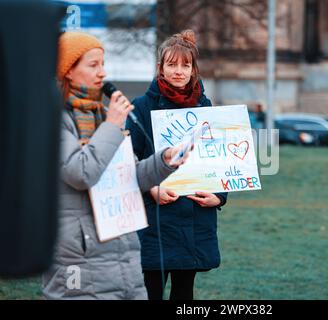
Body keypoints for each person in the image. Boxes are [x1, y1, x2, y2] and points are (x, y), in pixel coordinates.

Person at [42, 31, 188, 300]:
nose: (102, 73)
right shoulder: (52, 118)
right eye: (93, 65)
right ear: (68, 71)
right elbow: (80, 173)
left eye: (103, 63)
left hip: (120, 246)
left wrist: (164, 161)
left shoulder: (101, 114)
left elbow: (129, 176)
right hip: (78, 255)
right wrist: (112, 125)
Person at [126, 29, 228, 300]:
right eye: (172, 64)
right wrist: (150, 189)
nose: (179, 71)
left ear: (194, 69)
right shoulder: (141, 107)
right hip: (154, 218)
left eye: (186, 65)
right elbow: (126, 162)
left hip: (193, 217)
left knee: (184, 294)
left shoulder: (207, 108)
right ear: (160, 67)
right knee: (150, 292)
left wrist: (218, 196)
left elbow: (220, 159)